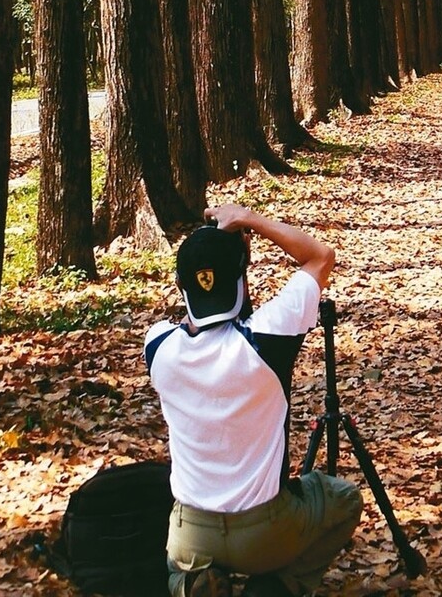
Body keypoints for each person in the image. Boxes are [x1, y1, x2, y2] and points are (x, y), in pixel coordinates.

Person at [145, 204, 363, 597]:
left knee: (184, 560)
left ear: (182, 287)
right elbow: (320, 256)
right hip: (266, 532)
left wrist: (213, 259)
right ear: (241, 282)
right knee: (344, 500)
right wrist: (250, 220)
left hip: (193, 533)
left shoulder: (158, 345)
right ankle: (279, 586)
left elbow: (194, 323)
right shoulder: (266, 341)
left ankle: (194, 582)